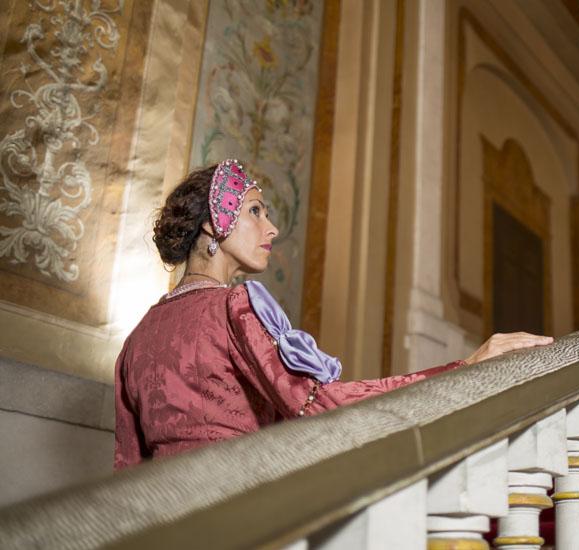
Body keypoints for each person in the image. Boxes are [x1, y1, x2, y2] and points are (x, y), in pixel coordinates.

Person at [114, 159, 552, 469]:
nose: (272, 228)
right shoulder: (236, 306)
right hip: (236, 517)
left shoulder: (137, 338)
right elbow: (317, 404)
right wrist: (465, 368)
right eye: (254, 211)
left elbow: (127, 472)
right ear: (214, 223)